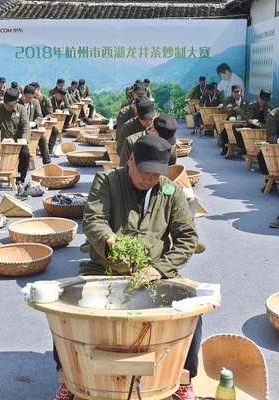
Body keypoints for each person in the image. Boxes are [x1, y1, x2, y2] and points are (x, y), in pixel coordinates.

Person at [54, 135, 201, 400]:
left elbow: (187, 239)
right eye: (144, 172)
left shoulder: (171, 192)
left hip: (153, 271)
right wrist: (107, 239)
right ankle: (67, 374)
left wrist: (160, 268)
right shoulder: (107, 181)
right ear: (131, 160)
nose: (149, 180)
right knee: (66, 308)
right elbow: (94, 219)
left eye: (155, 175)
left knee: (190, 311)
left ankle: (184, 379)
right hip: (104, 268)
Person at [0, 88, 31, 183]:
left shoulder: (21, 109)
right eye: (7, 105)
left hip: (17, 142)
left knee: (25, 153)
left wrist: (24, 139)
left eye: (12, 105)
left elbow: (25, 125)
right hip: (1, 142)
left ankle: (20, 179)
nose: (10, 107)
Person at [20, 84, 53, 165]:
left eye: (30, 97)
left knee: (42, 138)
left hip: (33, 127)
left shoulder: (35, 102)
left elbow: (39, 116)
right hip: (21, 129)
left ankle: (47, 161)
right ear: (23, 94)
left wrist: (35, 122)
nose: (28, 99)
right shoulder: (18, 103)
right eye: (27, 97)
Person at [219, 85, 248, 156]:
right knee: (223, 133)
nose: (237, 93)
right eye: (235, 92)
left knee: (243, 133)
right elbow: (224, 110)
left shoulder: (245, 101)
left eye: (238, 91)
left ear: (241, 92)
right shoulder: (227, 100)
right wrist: (233, 110)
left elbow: (248, 112)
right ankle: (224, 149)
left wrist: (240, 111)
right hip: (231, 121)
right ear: (232, 92)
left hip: (242, 122)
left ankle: (243, 149)